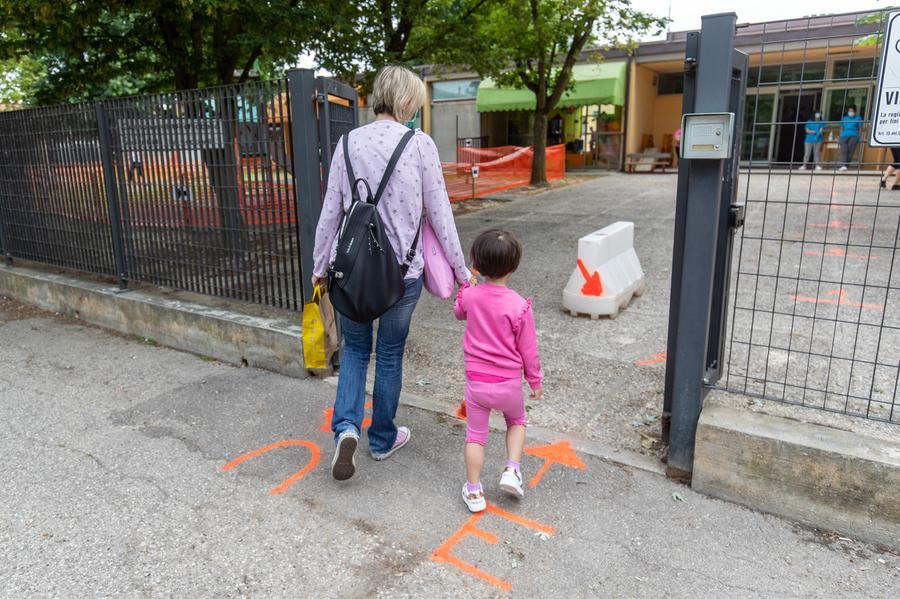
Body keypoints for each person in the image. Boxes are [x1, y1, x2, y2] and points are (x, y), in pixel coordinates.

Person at [312, 65, 473, 481]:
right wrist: (461, 271)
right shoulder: (419, 144)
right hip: (402, 273)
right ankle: (381, 439)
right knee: (388, 354)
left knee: (355, 351)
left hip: (349, 272)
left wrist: (319, 267)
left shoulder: (346, 143)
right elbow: (440, 214)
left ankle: (346, 428)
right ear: (405, 102)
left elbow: (331, 212)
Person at [453, 230, 543, 513]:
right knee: (516, 420)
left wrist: (466, 286)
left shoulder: (472, 297)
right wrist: (534, 380)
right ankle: (512, 470)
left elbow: (458, 311)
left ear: (477, 262)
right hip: (509, 384)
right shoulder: (518, 306)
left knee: (475, 436)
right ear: (514, 266)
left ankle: (474, 490)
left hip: (477, 384)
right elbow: (529, 349)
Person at [838, 105, 863, 171]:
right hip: (844, 136)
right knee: (844, 151)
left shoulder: (858, 118)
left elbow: (860, 128)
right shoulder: (844, 118)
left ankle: (846, 165)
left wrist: (860, 137)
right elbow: (841, 128)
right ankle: (843, 165)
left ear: (855, 111)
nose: (850, 112)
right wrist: (839, 136)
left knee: (850, 151)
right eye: (849, 111)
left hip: (854, 136)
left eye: (852, 111)